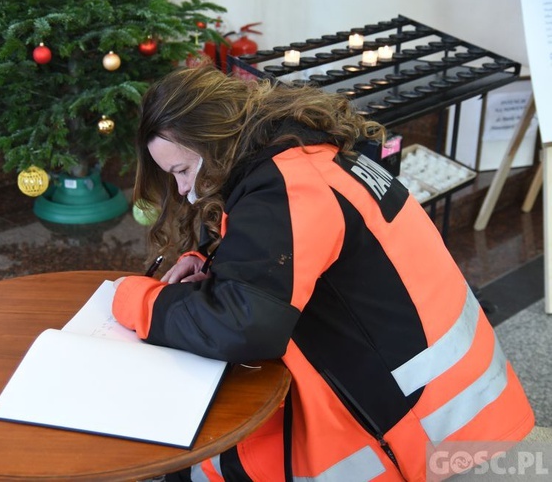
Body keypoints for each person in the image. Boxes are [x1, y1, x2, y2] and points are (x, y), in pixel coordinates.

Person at [111, 66, 534, 481]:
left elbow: (243, 325)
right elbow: (298, 254)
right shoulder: (308, 156)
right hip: (470, 406)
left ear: (214, 143)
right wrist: (214, 263)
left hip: (441, 438)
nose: (184, 189)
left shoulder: (287, 188)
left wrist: (138, 299)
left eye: (182, 171)